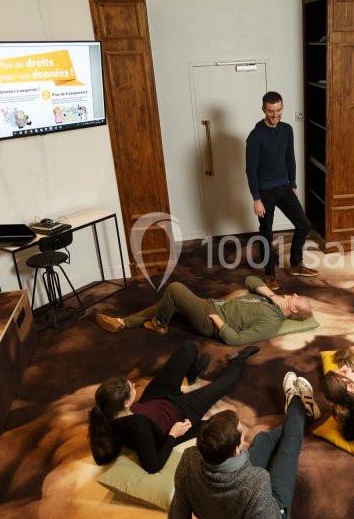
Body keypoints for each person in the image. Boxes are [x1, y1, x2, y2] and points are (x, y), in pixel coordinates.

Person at [87, 340, 259, 472]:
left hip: (155, 399)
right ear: (126, 403)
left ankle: (192, 375)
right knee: (226, 384)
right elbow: (153, 466)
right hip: (181, 411)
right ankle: (239, 359)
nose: (134, 385)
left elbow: (103, 456)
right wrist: (172, 435)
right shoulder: (137, 426)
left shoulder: (106, 413)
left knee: (188, 348)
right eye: (131, 387)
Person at [169, 372, 319, 518]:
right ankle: (297, 403)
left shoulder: (189, 457)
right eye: (241, 433)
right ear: (236, 449)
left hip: (237, 498)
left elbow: (178, 512)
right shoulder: (256, 482)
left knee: (261, 439)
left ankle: (304, 416)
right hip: (273, 511)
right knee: (288, 448)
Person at [95, 276, 313, 346]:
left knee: (175, 289)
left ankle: (160, 325)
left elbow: (237, 339)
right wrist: (273, 296)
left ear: (293, 308)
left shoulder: (272, 324)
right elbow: (250, 279)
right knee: (169, 302)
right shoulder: (272, 300)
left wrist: (218, 322)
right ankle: (124, 322)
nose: (292, 294)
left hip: (211, 321)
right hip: (211, 305)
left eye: (296, 297)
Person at [247, 91, 318, 291]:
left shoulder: (287, 130)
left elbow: (290, 159)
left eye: (278, 110)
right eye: (270, 111)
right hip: (265, 192)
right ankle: (269, 274)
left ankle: (296, 264)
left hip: (284, 187)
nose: (275, 114)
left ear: (282, 108)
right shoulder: (255, 136)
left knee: (303, 225)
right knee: (266, 232)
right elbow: (250, 170)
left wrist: (293, 184)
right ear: (263, 110)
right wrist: (256, 198)